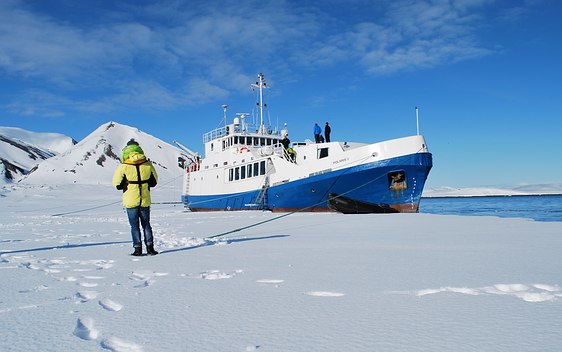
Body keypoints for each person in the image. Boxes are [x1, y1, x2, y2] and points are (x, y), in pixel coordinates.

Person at [112, 139, 159, 256]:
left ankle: (137, 249)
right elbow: (154, 181)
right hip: (144, 200)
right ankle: (150, 248)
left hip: (130, 200)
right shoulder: (147, 164)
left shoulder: (123, 166)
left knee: (134, 226)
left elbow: (116, 184)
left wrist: (126, 185)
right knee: (146, 224)